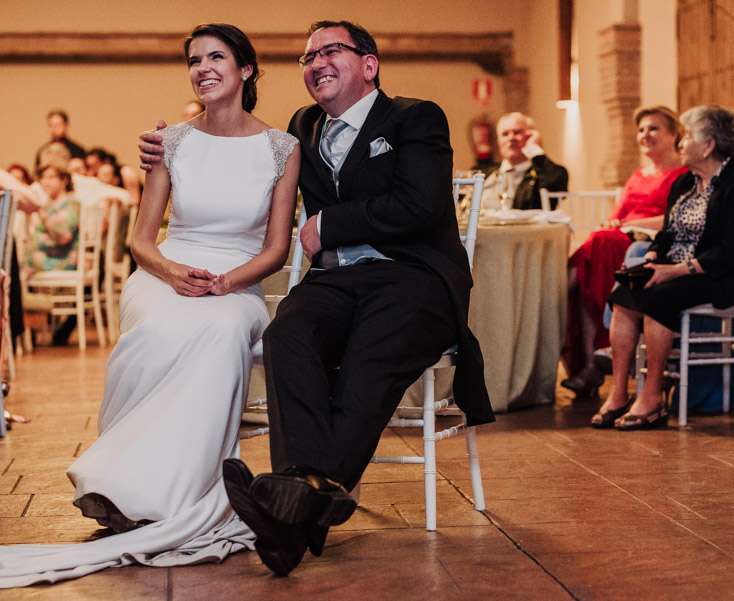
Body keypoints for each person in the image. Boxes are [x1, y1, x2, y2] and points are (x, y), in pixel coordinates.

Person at [140, 20, 493, 577]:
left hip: (413, 279)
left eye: (331, 51)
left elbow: (421, 205)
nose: (316, 62)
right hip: (335, 282)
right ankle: (300, 506)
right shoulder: (301, 127)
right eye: (308, 57)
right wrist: (172, 147)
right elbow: (244, 161)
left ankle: (291, 510)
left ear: (369, 64)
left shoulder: (414, 117)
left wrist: (330, 223)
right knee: (288, 335)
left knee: (368, 360)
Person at [0, 23, 300, 587]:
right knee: (161, 328)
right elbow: (141, 240)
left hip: (237, 282)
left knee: (218, 332)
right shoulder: (172, 141)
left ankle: (178, 495)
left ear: (246, 70)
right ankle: (122, 488)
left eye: (216, 57)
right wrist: (173, 271)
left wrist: (224, 283)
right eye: (194, 60)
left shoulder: (282, 148)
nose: (203, 67)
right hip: (166, 269)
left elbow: (276, 248)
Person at [597, 105, 734, 430]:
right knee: (623, 294)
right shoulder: (686, 182)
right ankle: (619, 394)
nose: (682, 143)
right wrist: (653, 257)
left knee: (660, 297)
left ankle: (652, 397)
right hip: (678, 270)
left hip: (723, 276)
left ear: (709, 145)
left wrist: (675, 270)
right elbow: (668, 233)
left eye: (688, 136)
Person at [561, 106, 687, 399]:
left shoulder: (682, 173)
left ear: (673, 134)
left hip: (651, 244)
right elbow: (616, 216)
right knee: (595, 251)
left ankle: (593, 362)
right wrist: (617, 222)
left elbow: (675, 217)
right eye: (641, 130)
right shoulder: (638, 174)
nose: (645, 135)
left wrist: (629, 223)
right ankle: (593, 359)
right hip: (621, 240)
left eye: (653, 128)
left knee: (594, 254)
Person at [481, 112, 568, 211]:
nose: (511, 138)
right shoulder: (485, 173)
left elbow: (556, 186)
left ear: (530, 136)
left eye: (517, 132)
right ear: (498, 141)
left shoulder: (546, 174)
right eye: (505, 134)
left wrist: (534, 149)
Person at [23, 163, 80, 280]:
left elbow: (63, 236)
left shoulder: (71, 203)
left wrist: (42, 214)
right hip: (45, 256)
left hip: (61, 260)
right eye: (43, 177)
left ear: (64, 181)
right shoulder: (49, 204)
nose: (45, 182)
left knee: (16, 262)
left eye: (51, 177)